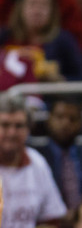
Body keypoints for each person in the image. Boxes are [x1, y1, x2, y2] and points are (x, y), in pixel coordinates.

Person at [0, 93, 67, 228]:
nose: (12, 133)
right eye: (5, 125)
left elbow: (51, 218)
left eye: (19, 126)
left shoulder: (38, 163)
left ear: (29, 129)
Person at [0, 0, 82, 82]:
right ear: (21, 8)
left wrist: (59, 80)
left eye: (43, 4)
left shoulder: (64, 41)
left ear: (52, 11)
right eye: (32, 3)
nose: (37, 10)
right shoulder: (5, 36)